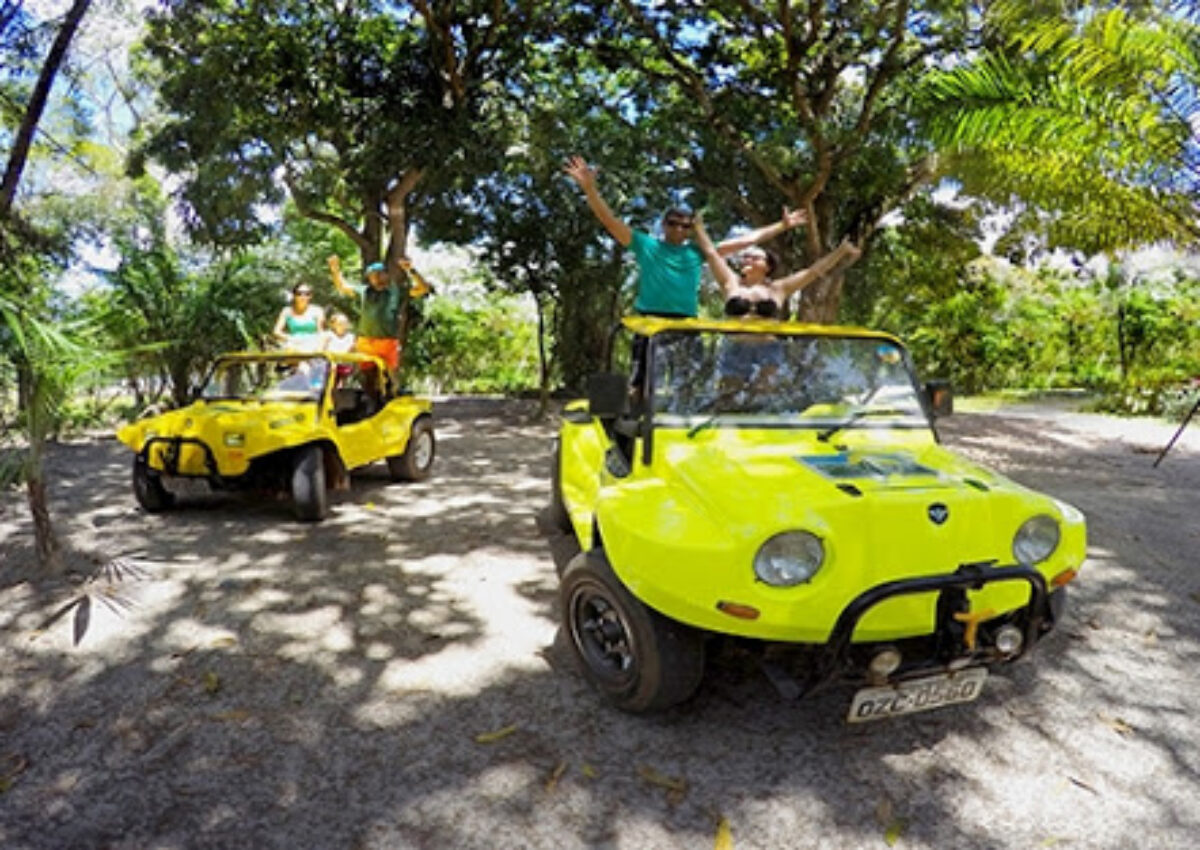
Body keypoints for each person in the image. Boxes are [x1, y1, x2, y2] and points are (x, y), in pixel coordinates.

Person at [563, 155, 808, 318]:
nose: (679, 229)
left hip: (687, 323)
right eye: (673, 223)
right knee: (640, 386)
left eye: (685, 225)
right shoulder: (646, 245)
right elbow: (610, 221)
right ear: (663, 225)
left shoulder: (697, 251)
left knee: (688, 385)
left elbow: (746, 240)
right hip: (651, 321)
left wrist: (782, 226)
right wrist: (590, 189)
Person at [691, 214, 861, 318]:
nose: (747, 260)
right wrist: (698, 228)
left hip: (768, 353)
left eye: (754, 258)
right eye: (745, 257)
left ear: (767, 266)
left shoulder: (779, 288)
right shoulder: (731, 282)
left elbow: (814, 271)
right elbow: (712, 254)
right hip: (735, 352)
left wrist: (841, 251)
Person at [273, 284, 325, 351]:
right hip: (293, 343)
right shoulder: (286, 311)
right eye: (299, 293)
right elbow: (276, 331)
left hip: (312, 343)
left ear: (310, 296)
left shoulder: (317, 311)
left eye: (307, 294)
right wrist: (290, 338)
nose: (303, 296)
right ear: (294, 295)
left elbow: (320, 332)